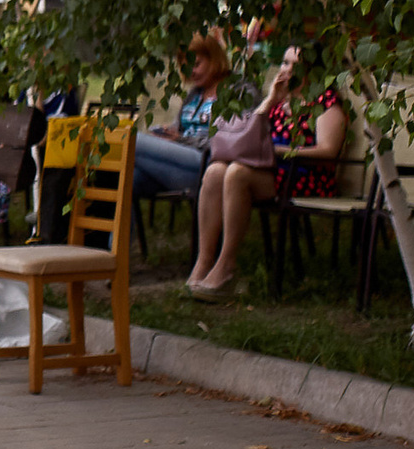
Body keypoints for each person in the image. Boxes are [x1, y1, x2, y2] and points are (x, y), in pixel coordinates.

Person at [188, 41, 348, 300]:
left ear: (314, 70)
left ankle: (227, 265)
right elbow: (249, 132)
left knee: (237, 173)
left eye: (296, 65)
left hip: (306, 175)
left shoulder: (325, 102)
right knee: (215, 171)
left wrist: (283, 151)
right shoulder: (280, 101)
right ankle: (204, 260)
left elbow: (328, 151)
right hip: (271, 170)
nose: (288, 69)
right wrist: (271, 99)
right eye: (285, 63)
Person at [131, 31, 235, 200]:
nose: (191, 72)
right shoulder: (195, 94)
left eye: (197, 64)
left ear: (214, 59)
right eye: (186, 67)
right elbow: (180, 128)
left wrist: (181, 140)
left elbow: (227, 143)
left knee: (131, 140)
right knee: (130, 178)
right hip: (180, 164)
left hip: (209, 166)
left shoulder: (235, 91)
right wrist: (166, 134)